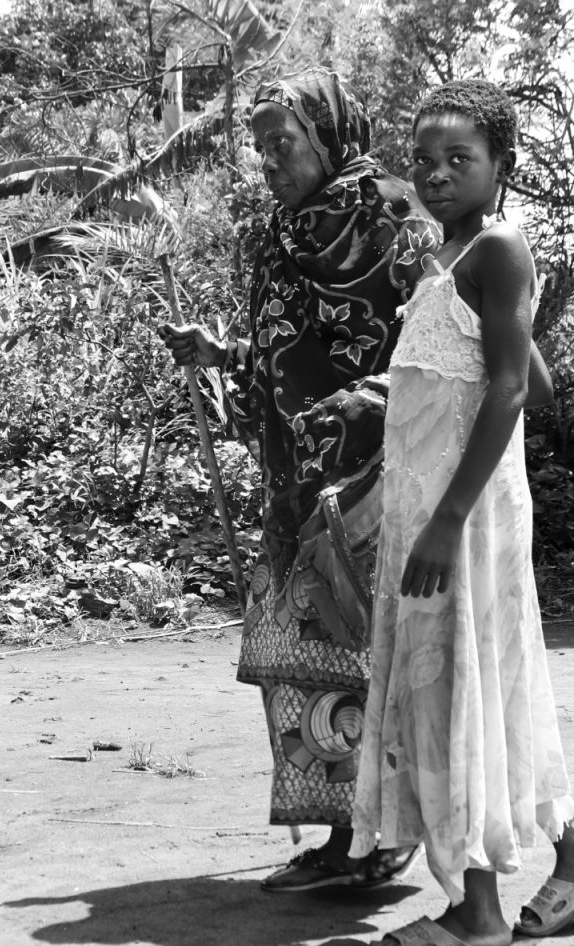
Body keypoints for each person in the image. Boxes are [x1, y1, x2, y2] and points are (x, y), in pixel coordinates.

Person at [350, 80, 574, 946]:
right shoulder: (454, 255)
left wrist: (447, 519)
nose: (435, 174)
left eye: (458, 159)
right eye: (424, 160)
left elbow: (509, 392)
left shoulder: (497, 245)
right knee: (487, 690)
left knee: (449, 696)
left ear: (500, 168)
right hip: (439, 505)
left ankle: (477, 916)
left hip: (458, 517)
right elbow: (525, 376)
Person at [162, 69, 440, 892]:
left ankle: (386, 833)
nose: (268, 163)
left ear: (327, 135)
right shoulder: (278, 236)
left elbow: (438, 349)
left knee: (370, 651)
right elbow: (289, 359)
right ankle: (344, 833)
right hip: (293, 482)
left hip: (376, 481)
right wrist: (222, 355)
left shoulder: (395, 220)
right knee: (302, 656)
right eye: (259, 148)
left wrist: (368, 404)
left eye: (281, 144)